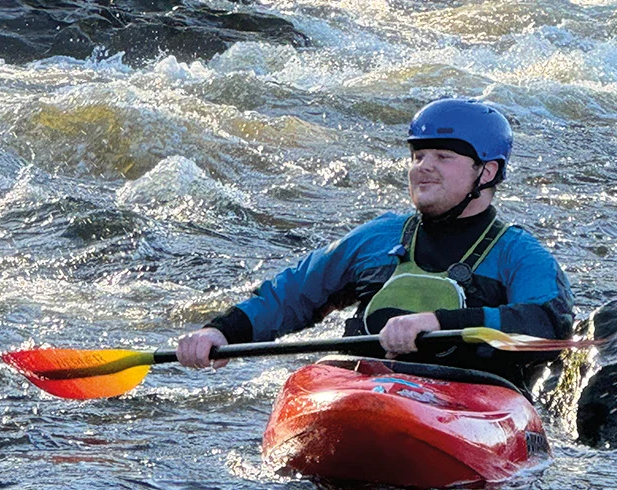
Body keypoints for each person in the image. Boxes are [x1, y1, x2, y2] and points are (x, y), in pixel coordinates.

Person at [176, 98, 574, 389]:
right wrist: (222, 332)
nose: (423, 167)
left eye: (442, 156)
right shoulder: (378, 238)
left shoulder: (520, 254)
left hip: (469, 399)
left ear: (486, 172)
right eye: (417, 155)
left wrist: (439, 323)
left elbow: (546, 327)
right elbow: (292, 295)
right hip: (364, 390)